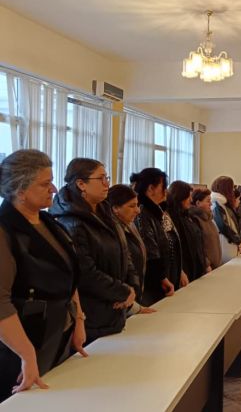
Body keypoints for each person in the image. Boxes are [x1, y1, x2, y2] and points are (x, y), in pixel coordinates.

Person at [0, 150, 87, 401]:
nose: (54, 189)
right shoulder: (5, 230)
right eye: (45, 184)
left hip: (57, 336)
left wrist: (78, 319)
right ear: (20, 190)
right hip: (20, 346)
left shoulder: (49, 222)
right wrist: (26, 354)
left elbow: (69, 276)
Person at [50, 158, 136, 344]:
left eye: (107, 178)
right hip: (92, 317)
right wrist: (122, 291)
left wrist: (131, 287)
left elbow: (124, 251)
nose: (107, 184)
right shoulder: (71, 221)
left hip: (115, 309)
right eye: (101, 178)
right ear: (81, 184)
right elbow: (85, 273)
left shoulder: (104, 211)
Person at [131, 168, 187, 306]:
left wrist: (179, 270)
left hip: (168, 277)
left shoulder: (160, 211)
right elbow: (150, 251)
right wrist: (162, 277)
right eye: (163, 186)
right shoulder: (142, 214)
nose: (166, 191)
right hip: (154, 286)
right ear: (151, 189)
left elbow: (171, 241)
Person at [108, 184, 156, 316]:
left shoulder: (130, 225)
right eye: (131, 206)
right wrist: (133, 305)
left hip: (133, 299)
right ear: (115, 208)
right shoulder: (111, 232)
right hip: (121, 304)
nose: (138, 211)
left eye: (137, 205)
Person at [167, 181, 208, 282]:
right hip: (184, 270)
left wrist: (205, 264)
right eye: (188, 197)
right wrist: (180, 271)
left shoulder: (187, 216)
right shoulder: (172, 218)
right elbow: (175, 248)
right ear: (180, 197)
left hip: (195, 268)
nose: (191, 199)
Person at [211, 176, 241, 263]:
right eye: (232, 188)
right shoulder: (217, 203)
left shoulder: (223, 203)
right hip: (225, 244)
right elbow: (223, 225)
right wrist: (238, 240)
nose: (233, 191)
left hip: (230, 243)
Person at [190, 188, 223, 270]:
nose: (211, 204)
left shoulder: (209, 219)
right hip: (207, 268)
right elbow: (198, 245)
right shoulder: (195, 220)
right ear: (198, 203)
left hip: (215, 265)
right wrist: (206, 263)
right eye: (208, 201)